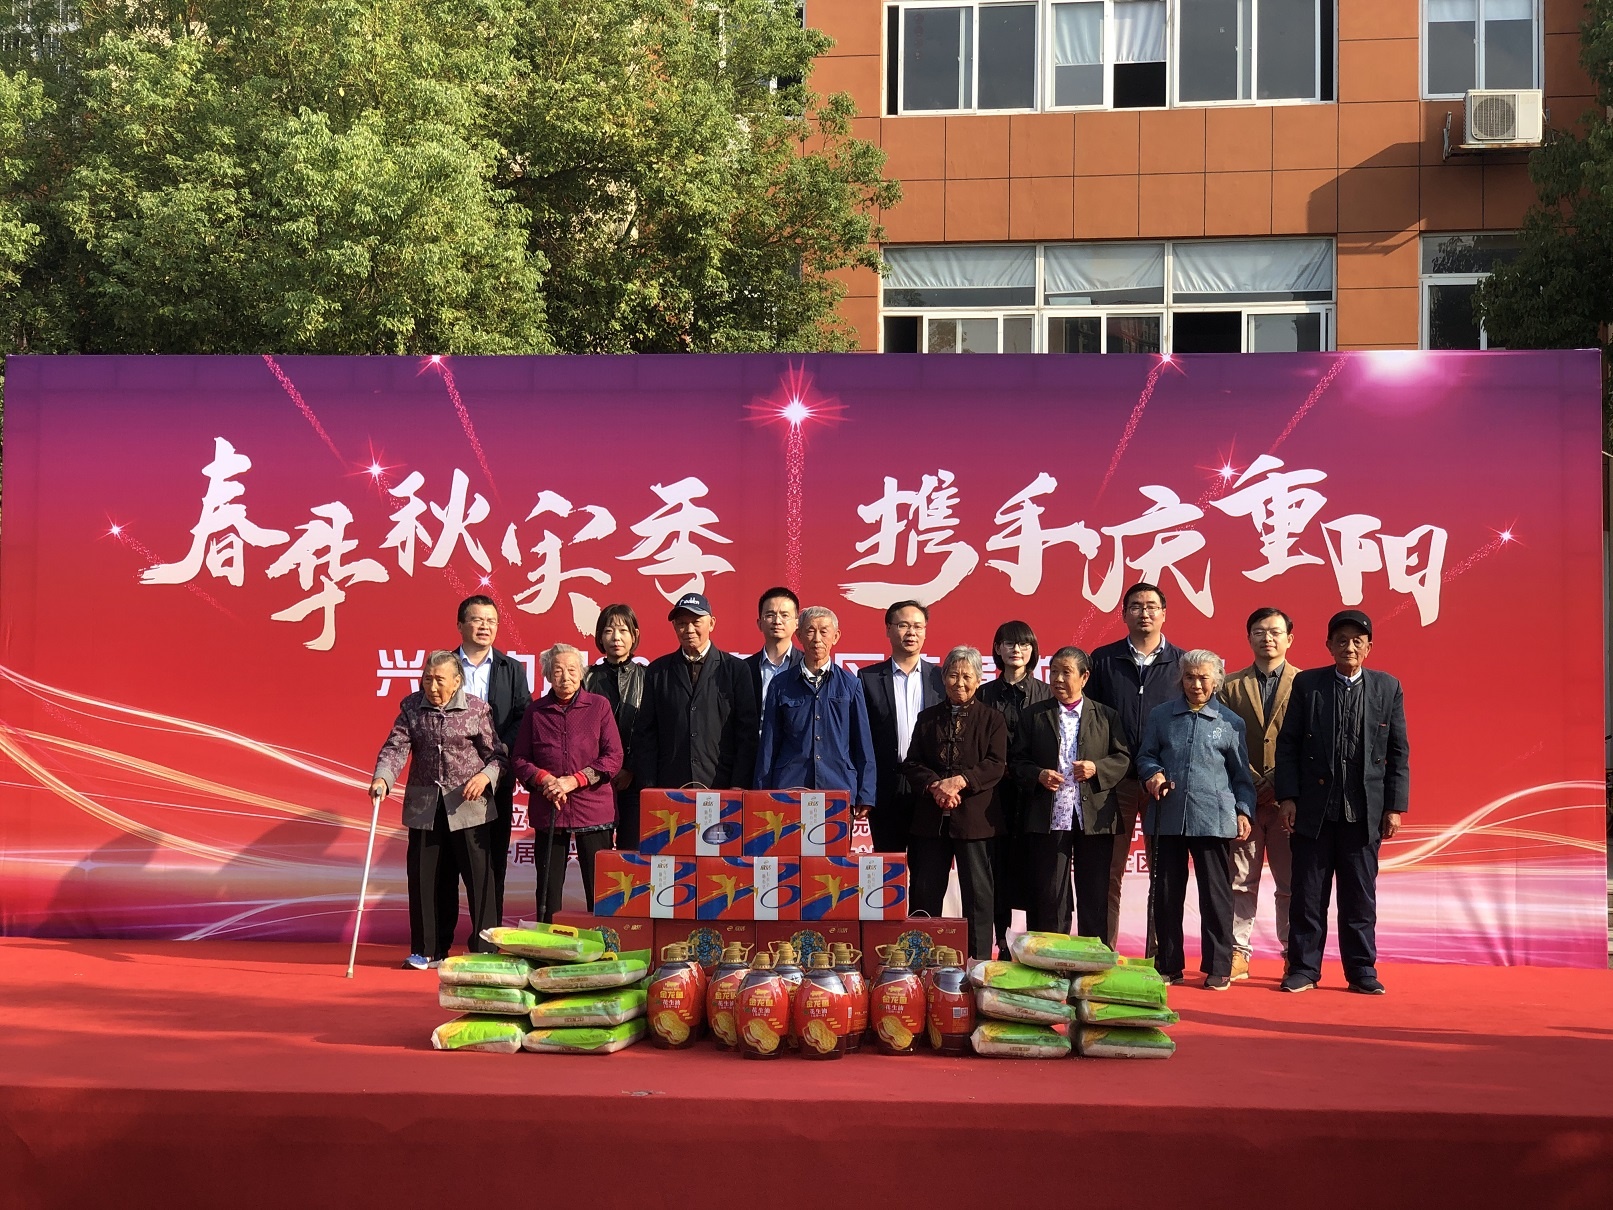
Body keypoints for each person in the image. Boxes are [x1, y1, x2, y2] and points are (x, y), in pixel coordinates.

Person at [1275, 610, 1408, 996]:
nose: (1349, 647)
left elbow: (1398, 752)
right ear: (1329, 646)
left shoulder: (1387, 687)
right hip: (1314, 811)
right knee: (1307, 896)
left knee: (1359, 898)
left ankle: (1362, 970)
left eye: (1357, 641)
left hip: (1363, 813)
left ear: (1368, 647)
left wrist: (1394, 807)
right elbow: (1288, 745)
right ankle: (1303, 969)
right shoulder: (1308, 684)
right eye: (1342, 640)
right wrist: (1288, 798)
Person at [370, 650, 506, 969]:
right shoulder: (412, 707)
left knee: (479, 879)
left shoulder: (476, 709)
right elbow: (395, 748)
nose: (432, 686)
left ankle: (485, 947)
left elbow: (497, 756)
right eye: (427, 679)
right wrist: (382, 778)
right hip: (426, 808)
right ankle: (428, 949)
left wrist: (485, 777)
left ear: (457, 681)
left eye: (439, 680)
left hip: (469, 807)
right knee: (425, 878)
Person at [1136, 651, 1255, 990]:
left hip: (1212, 818)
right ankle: (1168, 964)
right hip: (1168, 817)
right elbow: (1145, 756)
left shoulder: (1230, 722)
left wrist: (1244, 810)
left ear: (1216, 681)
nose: (1196, 684)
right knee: (1166, 894)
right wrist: (1153, 773)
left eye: (1203, 678)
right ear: (1181, 679)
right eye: (1190, 677)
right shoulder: (1161, 716)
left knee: (1215, 896)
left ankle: (1218, 966)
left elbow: (1241, 776)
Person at [1087, 581, 1186, 951]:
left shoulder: (1182, 663)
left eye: (1151, 606)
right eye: (1136, 606)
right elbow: (1089, 719)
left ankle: (1159, 956)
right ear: (1124, 614)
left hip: (1163, 782)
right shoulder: (1103, 660)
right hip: (1115, 782)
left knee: (1164, 874)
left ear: (1164, 613)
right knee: (1107, 873)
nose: (1144, 613)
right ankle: (1102, 953)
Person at [1009, 646, 1132, 939]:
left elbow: (1123, 758)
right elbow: (1016, 761)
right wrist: (1038, 774)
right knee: (1051, 893)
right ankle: (1051, 955)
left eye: (1066, 672)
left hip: (1094, 816)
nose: (1058, 679)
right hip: (1049, 815)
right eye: (1054, 672)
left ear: (1084, 677)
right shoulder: (1034, 715)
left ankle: (1094, 955)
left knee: (1095, 891)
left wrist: (1096, 768)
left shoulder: (1106, 715)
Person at [901, 646, 1008, 961]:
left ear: (978, 680)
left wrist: (961, 781)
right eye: (953, 675)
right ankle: (921, 959)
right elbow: (912, 763)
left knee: (978, 895)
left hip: (975, 821)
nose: (959, 682)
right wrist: (936, 786)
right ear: (943, 678)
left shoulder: (992, 719)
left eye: (967, 676)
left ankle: (978, 961)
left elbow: (996, 764)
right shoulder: (927, 718)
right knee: (924, 891)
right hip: (930, 820)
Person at [513, 644, 623, 922]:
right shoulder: (536, 712)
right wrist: (545, 779)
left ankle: (603, 939)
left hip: (593, 808)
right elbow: (520, 758)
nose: (565, 677)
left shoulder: (598, 706)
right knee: (548, 889)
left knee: (599, 889)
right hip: (550, 807)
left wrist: (574, 781)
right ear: (548, 675)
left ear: (582, 673)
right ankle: (547, 940)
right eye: (558, 671)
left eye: (572, 670)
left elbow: (613, 757)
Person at [1217, 607, 1299, 981]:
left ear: (1289, 638)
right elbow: (1222, 741)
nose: (1268, 638)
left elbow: (1309, 743)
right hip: (1243, 802)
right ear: (1248, 637)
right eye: (1259, 631)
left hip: (1289, 803)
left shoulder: (1305, 684)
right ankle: (1238, 952)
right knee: (1240, 882)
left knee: (1291, 885)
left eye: (1275, 632)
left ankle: (1293, 954)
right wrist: (1251, 781)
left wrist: (1278, 781)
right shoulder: (1229, 686)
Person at [451, 595, 531, 925]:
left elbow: (523, 716)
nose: (484, 626)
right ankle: (439, 940)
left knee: (492, 859)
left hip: (495, 777)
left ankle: (487, 936)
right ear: (460, 625)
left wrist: (498, 753)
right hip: (451, 778)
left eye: (491, 621)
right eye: (477, 620)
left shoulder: (511, 669)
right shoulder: (443, 666)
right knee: (448, 862)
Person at [633, 592, 759, 791]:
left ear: (712, 623)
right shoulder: (657, 671)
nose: (689, 629)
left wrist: (739, 784)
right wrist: (649, 787)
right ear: (674, 627)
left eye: (696, 622)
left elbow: (747, 734)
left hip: (721, 785)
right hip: (670, 787)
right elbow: (646, 735)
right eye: (682, 623)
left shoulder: (736, 670)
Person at [978, 620, 1051, 958]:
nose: (1016, 650)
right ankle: (1002, 942)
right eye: (1008, 643)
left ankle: (1036, 944)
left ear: (1032, 650)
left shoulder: (1046, 693)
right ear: (998, 649)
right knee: (998, 870)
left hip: (1036, 793)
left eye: (1023, 644)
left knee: (1036, 869)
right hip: (994, 795)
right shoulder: (984, 694)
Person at [756, 606, 876, 806]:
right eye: (810, 631)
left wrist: (866, 795)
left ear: (835, 637)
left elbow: (863, 744)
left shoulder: (851, 685)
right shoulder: (780, 684)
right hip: (790, 788)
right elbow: (769, 744)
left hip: (838, 788)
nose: (817, 639)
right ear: (799, 636)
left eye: (824, 631)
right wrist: (762, 792)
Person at [859, 600, 946, 854]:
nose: (911, 633)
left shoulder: (940, 679)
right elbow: (861, 737)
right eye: (903, 625)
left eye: (918, 626)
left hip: (929, 785)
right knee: (888, 864)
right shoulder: (868, 678)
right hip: (887, 784)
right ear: (888, 629)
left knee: (927, 866)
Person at [582, 604, 645, 850]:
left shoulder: (648, 677)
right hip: (595, 783)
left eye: (623, 630)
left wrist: (630, 768)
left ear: (634, 635)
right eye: (609, 631)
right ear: (600, 637)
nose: (616, 638)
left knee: (631, 855)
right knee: (597, 856)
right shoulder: (586, 678)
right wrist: (599, 771)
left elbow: (650, 732)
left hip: (635, 782)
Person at [744, 587, 803, 720]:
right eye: (770, 615)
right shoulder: (744, 668)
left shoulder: (806, 666)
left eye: (785, 615)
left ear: (796, 623)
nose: (777, 621)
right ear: (759, 623)